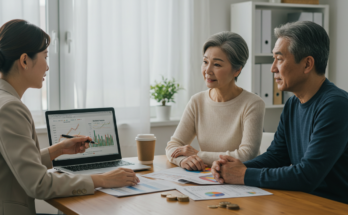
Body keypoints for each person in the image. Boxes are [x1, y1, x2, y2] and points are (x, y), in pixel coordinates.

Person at [0, 19, 139, 215]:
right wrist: (102, 180)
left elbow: (12, 163)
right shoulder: (10, 108)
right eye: (45, 57)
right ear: (24, 61)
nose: (47, 67)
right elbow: (38, 184)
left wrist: (57, 150)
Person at [211, 21, 348, 204]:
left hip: (333, 206)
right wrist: (233, 167)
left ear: (307, 64)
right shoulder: (292, 104)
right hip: (302, 202)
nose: (272, 68)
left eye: (280, 59)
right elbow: (277, 156)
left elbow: (307, 175)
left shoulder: (336, 105)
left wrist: (244, 174)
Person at [165, 31, 265, 171]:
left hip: (241, 182)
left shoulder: (253, 104)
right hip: (207, 180)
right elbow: (173, 146)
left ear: (237, 70)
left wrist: (198, 155)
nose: (208, 70)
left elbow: (246, 155)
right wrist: (183, 161)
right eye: (205, 62)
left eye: (217, 65)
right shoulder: (197, 101)